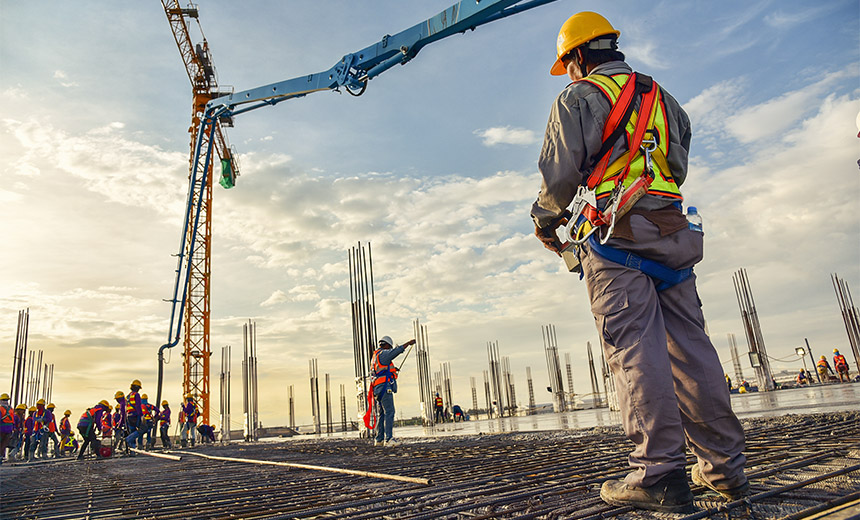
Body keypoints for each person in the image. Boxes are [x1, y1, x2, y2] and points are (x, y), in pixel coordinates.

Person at [530, 12, 747, 512]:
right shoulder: (665, 100)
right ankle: (726, 470)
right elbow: (677, 166)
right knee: (692, 350)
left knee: (634, 350)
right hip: (671, 233)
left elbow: (560, 176)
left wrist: (544, 222)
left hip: (613, 239)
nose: (567, 74)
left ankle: (660, 474)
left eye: (567, 65)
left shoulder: (578, 98)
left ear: (578, 55)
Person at [371, 336, 415, 447]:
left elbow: (381, 370)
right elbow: (396, 352)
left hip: (378, 389)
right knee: (389, 412)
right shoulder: (383, 354)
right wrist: (408, 343)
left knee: (382, 414)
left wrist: (393, 370)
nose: (389, 349)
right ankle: (389, 439)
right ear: (386, 345)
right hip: (384, 388)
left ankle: (379, 439)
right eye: (389, 347)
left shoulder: (376, 356)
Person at [125, 380, 144, 450]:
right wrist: (141, 416)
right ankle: (128, 439)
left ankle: (132, 450)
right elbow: (138, 406)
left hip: (128, 416)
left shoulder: (128, 396)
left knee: (132, 431)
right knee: (143, 429)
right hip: (135, 415)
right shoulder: (136, 395)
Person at [0, 394, 14, 464]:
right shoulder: (11, 409)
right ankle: (1, 457)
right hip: (9, 429)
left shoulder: (1, 409)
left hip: (1, 428)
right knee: (4, 445)